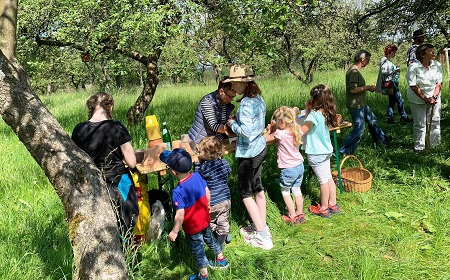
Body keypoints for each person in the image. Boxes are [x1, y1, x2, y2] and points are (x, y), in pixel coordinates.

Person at [71, 92, 139, 239]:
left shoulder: (79, 130)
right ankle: (125, 247)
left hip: (91, 183)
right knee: (128, 218)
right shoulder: (116, 127)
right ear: (110, 107)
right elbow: (132, 162)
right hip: (119, 181)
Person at [160, 148, 229, 280]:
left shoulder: (178, 191)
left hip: (193, 228)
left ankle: (203, 275)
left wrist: (175, 231)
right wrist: (207, 205)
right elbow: (207, 191)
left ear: (173, 172)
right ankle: (221, 260)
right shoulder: (197, 176)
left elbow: (180, 214)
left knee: (198, 251)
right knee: (210, 239)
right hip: (205, 219)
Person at [225, 64, 272, 250]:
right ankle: (262, 225)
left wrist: (232, 123)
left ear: (245, 83)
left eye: (236, 83)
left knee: (245, 192)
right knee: (257, 188)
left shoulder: (245, 104)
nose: (234, 87)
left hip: (249, 152)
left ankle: (262, 236)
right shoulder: (258, 99)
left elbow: (244, 131)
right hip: (260, 147)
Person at [339, 50, 392, 155]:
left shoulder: (356, 71)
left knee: (373, 121)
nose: (368, 62)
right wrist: (368, 87)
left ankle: (383, 140)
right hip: (355, 105)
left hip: (362, 104)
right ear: (362, 59)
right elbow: (352, 90)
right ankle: (343, 151)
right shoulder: (353, 72)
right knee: (359, 130)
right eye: (368, 59)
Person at [299, 85, 340, 218]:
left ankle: (323, 208)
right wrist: (308, 109)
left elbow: (303, 129)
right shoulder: (326, 112)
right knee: (327, 177)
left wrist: (290, 134)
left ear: (315, 99)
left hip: (316, 152)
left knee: (322, 180)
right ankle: (332, 204)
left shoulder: (314, 116)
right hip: (325, 150)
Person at [264, 106, 306, 225]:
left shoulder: (280, 134)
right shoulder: (296, 129)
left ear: (282, 122)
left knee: (286, 191)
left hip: (288, 168)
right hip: (299, 166)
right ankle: (300, 213)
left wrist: (269, 131)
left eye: (276, 121)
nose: (275, 123)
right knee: (297, 189)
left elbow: (265, 139)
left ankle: (292, 215)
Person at [195, 136, 232, 246]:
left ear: (207, 154)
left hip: (212, 201)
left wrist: (197, 164)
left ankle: (218, 245)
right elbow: (229, 172)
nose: (198, 152)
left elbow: (198, 179)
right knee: (223, 219)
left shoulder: (204, 168)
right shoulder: (224, 163)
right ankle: (223, 233)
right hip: (225, 199)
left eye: (200, 151)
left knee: (210, 221)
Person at [406, 43, 443, 152]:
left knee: (435, 121)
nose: (433, 52)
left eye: (433, 50)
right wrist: (426, 98)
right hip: (417, 99)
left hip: (434, 98)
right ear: (422, 54)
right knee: (420, 123)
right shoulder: (413, 67)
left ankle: (435, 145)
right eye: (430, 50)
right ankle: (419, 148)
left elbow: (439, 83)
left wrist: (434, 97)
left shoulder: (437, 65)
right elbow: (413, 85)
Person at [188, 76, 236, 144]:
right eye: (230, 96)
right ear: (221, 91)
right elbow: (214, 126)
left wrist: (231, 120)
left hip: (213, 142)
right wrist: (234, 129)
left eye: (233, 96)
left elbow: (222, 120)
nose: (232, 99)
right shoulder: (207, 102)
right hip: (199, 142)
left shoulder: (225, 103)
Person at [376, 44, 412, 124]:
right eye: (394, 52)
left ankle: (390, 118)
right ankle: (404, 117)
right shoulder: (385, 60)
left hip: (392, 83)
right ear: (390, 51)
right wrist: (395, 70)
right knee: (400, 100)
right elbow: (384, 72)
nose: (394, 54)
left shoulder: (387, 60)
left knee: (392, 101)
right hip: (391, 84)